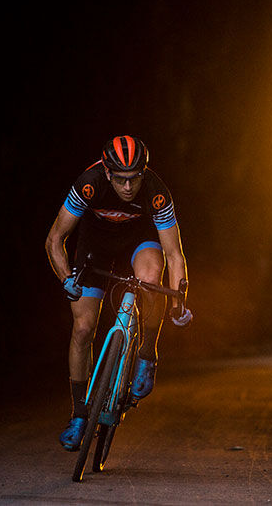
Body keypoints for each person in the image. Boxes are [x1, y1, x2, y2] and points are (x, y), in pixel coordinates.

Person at [45, 134, 192, 451]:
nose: (128, 187)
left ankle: (146, 356)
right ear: (107, 172)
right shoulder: (89, 183)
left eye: (135, 179)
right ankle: (79, 415)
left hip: (138, 243)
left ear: (144, 173)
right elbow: (55, 239)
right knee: (83, 329)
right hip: (94, 247)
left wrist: (179, 301)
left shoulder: (156, 192)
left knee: (152, 277)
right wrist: (64, 278)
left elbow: (175, 255)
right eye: (121, 180)